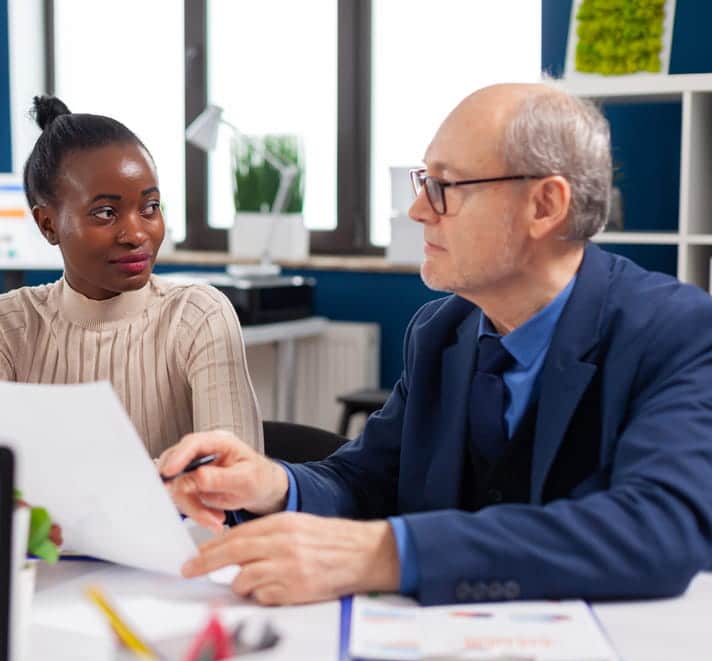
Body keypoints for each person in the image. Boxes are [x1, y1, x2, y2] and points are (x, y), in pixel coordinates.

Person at [159, 82, 712, 607]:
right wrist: (273, 484)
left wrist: (389, 555)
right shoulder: (441, 331)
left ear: (545, 205)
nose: (419, 210)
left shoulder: (676, 330)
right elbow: (367, 480)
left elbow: (660, 528)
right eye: (423, 182)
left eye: (445, 187)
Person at [0, 96, 263, 458]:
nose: (136, 234)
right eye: (106, 213)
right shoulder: (3, 323)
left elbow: (235, 473)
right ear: (48, 224)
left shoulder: (198, 315)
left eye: (150, 207)